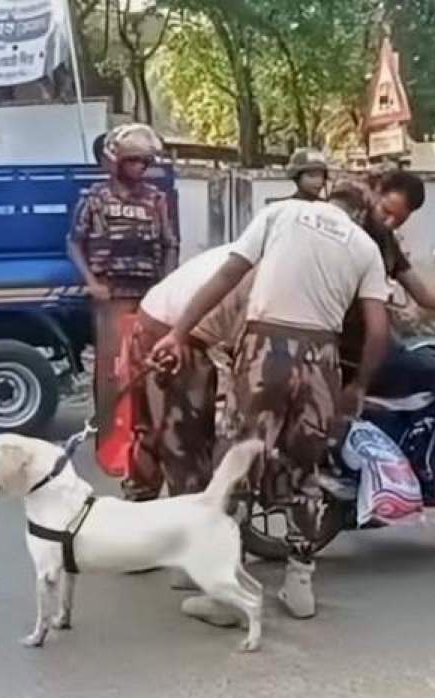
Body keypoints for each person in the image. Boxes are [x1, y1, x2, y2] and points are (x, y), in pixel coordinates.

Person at [150, 181, 391, 619]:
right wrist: (357, 387)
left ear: (325, 200)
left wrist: (177, 332)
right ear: (360, 215)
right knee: (304, 473)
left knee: (238, 464)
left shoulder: (282, 214)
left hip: (266, 350)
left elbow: (226, 276)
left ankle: (228, 595)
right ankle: (300, 584)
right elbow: (378, 330)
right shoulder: (365, 246)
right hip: (322, 357)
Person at [348, 170, 435, 506]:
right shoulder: (355, 236)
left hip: (370, 342)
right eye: (385, 211)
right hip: (362, 348)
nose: (389, 222)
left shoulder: (385, 241)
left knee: (422, 352)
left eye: (398, 220)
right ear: (374, 192)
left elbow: (419, 292)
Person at [67, 123, 177, 481]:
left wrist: (168, 286)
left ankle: (145, 439)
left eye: (144, 163)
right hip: (111, 295)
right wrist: (92, 282)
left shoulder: (156, 199)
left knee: (148, 369)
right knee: (112, 372)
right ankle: (109, 441)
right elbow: (74, 242)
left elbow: (170, 244)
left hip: (148, 294)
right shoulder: (95, 198)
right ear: (116, 163)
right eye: (133, 162)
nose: (140, 169)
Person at [119, 243, 252, 502]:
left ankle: (137, 505)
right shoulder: (269, 268)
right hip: (177, 334)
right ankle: (190, 518)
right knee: (184, 441)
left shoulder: (250, 246)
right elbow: (245, 347)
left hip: (154, 316)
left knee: (153, 428)